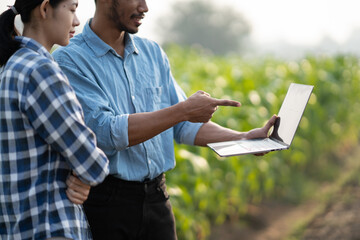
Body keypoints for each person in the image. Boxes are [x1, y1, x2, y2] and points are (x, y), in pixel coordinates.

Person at [52, 0, 278, 239]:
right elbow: (104, 132)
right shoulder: (70, 59)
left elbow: (183, 126)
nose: (144, 7)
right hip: (107, 204)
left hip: (158, 199)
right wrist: (182, 110)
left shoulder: (152, 53)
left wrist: (243, 138)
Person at [0, 0, 109, 239]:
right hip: (50, 226)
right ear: (45, 8)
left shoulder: (9, 66)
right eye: (72, 9)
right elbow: (92, 164)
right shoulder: (40, 71)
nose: (77, 21)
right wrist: (83, 175)